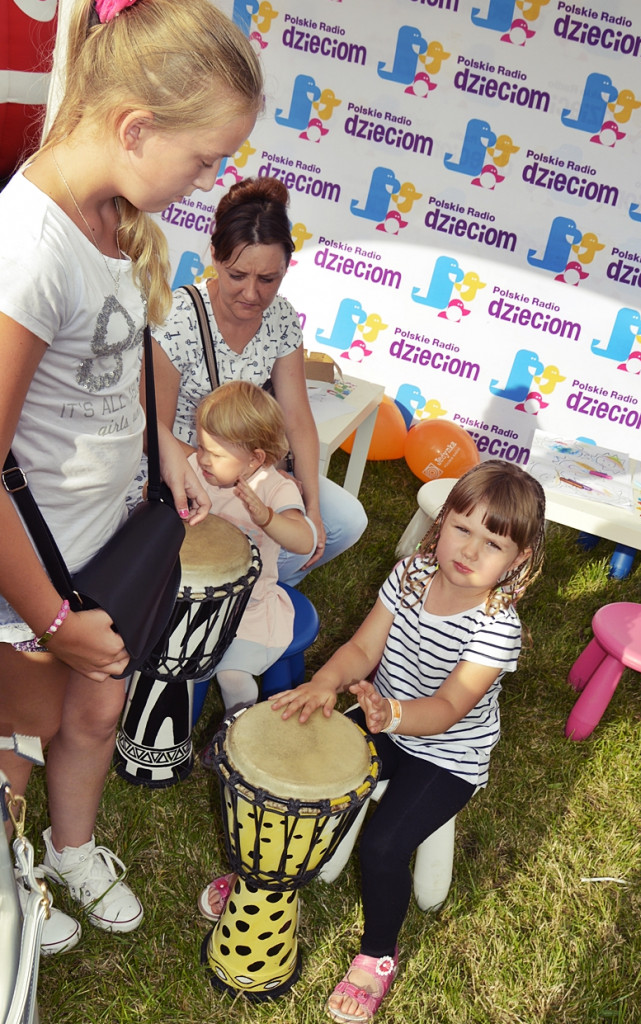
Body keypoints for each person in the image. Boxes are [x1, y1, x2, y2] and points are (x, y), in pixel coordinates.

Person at [0, 0, 263, 955]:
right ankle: (15, 876)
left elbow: (132, 347)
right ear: (136, 128)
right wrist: (54, 623)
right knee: (18, 741)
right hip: (27, 585)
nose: (208, 182)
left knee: (99, 709)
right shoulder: (27, 253)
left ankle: (71, 851)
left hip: (94, 550)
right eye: (203, 161)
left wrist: (166, 442)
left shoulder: (112, 213)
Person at [225, 459, 543, 1021]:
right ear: (441, 522)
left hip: (447, 755)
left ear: (517, 561)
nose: (468, 551)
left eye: (491, 543)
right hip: (385, 720)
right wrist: (325, 683)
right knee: (303, 788)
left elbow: (446, 710)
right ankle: (266, 886)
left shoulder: (497, 627)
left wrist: (389, 713)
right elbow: (363, 649)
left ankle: (377, 955)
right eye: (461, 528)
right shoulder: (410, 576)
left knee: (384, 846)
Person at [152, 176, 368, 586]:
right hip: (191, 469)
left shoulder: (282, 318)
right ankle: (238, 591)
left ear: (286, 267)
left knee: (345, 521)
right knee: (260, 534)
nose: (252, 293)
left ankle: (252, 592)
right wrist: (249, 476)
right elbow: (155, 431)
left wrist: (312, 505)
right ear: (214, 257)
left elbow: (298, 418)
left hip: (255, 468)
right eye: (237, 275)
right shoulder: (178, 318)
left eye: (268, 279)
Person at [191, 380, 315, 717]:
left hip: (247, 607)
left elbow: (305, 540)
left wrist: (268, 518)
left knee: (232, 675)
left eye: (213, 454)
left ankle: (240, 727)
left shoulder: (275, 489)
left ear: (254, 459)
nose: (201, 459)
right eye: (200, 446)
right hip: (193, 598)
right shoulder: (198, 470)